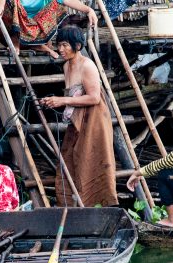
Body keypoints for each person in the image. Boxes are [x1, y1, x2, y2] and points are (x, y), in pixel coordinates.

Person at [41, 25, 118, 207]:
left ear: (77, 45)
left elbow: (93, 97)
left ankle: (102, 204)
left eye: (65, 45)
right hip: (76, 118)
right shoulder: (66, 66)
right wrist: (54, 101)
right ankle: (72, 206)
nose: (61, 49)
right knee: (69, 159)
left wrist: (62, 101)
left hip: (94, 119)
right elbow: (72, 96)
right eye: (59, 45)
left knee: (92, 159)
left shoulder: (87, 66)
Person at [0, 0, 97, 58]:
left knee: (56, 3)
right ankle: (16, 43)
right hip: (9, 33)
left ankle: (39, 43)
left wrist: (89, 10)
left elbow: (67, 0)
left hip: (33, 34)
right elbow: (0, 6)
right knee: (11, 2)